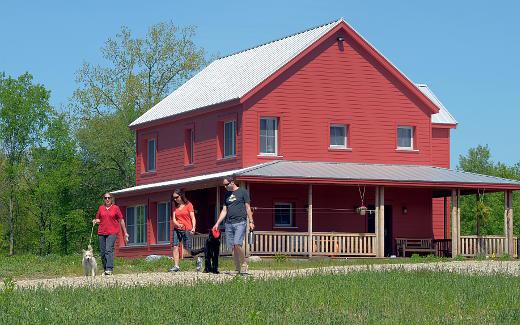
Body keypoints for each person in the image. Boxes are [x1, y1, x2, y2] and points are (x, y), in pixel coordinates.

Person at [213, 176, 254, 274]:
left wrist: (251, 221)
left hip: (240, 222)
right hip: (229, 223)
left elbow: (248, 208)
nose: (225, 186)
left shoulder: (243, 192)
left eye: (226, 184)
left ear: (232, 182)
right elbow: (224, 210)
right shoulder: (226, 194)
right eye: (224, 185)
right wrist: (217, 223)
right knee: (232, 246)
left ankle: (244, 263)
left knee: (237, 243)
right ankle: (237, 268)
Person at [92, 193, 129, 275]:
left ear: (112, 199)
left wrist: (125, 232)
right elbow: (98, 219)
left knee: (108, 249)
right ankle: (105, 269)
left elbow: (121, 220)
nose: (107, 199)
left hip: (112, 232)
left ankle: (109, 268)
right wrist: (95, 221)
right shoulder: (101, 208)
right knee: (102, 252)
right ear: (104, 199)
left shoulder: (116, 208)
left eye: (109, 198)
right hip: (101, 232)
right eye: (106, 198)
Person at [169, 189, 197, 272]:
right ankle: (176, 266)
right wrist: (177, 224)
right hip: (177, 229)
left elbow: (193, 218)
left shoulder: (189, 205)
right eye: (173, 198)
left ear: (181, 196)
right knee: (175, 246)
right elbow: (174, 219)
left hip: (186, 229)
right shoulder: (175, 207)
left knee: (187, 248)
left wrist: (193, 227)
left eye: (176, 197)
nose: (175, 199)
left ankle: (197, 259)